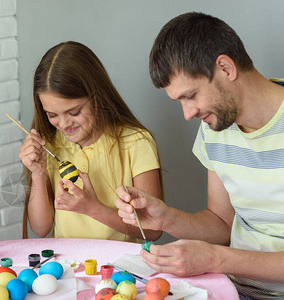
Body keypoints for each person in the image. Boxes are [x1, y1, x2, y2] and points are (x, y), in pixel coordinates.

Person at [116, 12, 284, 299]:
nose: (188, 113)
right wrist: (165, 218)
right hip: (231, 289)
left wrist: (216, 258)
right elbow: (220, 223)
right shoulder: (216, 127)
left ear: (225, 67)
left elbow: (217, 251)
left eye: (191, 95)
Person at [19, 41, 163, 243]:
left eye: (74, 112)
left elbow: (153, 230)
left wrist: (92, 209)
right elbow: (41, 228)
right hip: (66, 265)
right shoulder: (50, 144)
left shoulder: (136, 142)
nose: (64, 124)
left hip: (120, 269)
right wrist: (37, 173)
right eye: (52, 115)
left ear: (98, 97)